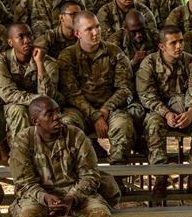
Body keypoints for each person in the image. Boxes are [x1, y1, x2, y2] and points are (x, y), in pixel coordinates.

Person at [136, 26, 192, 199]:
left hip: (187, 109)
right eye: (173, 43)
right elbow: (146, 95)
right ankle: (161, 177)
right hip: (159, 111)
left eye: (181, 41)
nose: (179, 46)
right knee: (154, 125)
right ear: (162, 46)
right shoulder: (148, 64)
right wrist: (166, 113)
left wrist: (191, 112)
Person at [57, 11, 136, 164]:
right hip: (80, 109)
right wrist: (94, 116)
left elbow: (125, 88)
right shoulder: (67, 57)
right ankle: (79, 173)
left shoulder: (114, 53)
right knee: (65, 125)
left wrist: (106, 109)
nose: (95, 32)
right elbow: (71, 94)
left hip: (110, 108)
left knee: (123, 126)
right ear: (77, 33)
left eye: (97, 27)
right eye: (89, 29)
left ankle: (118, 176)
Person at [0, 23, 65, 144]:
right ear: (10, 42)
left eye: (29, 36)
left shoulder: (46, 61)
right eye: (20, 37)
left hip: (43, 109)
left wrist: (39, 64)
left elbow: (48, 98)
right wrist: (37, 99)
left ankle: (45, 153)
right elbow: (8, 94)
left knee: (47, 113)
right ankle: (21, 153)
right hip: (14, 106)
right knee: (19, 110)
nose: (27, 41)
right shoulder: (1, 61)